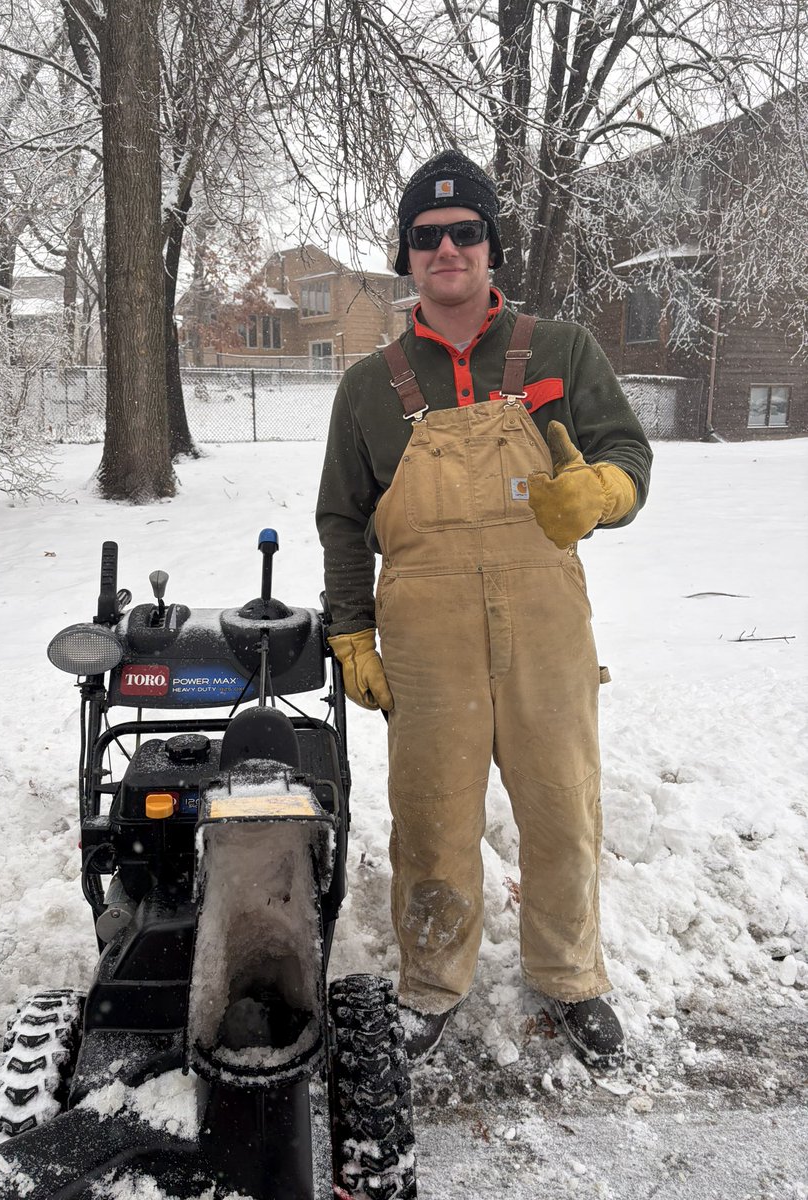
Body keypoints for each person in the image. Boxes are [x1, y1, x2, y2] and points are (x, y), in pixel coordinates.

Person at [316, 150, 652, 1068]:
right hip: (426, 638)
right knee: (431, 817)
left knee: (562, 805)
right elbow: (344, 518)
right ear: (408, 257)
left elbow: (629, 451)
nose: (448, 249)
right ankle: (431, 983)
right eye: (428, 237)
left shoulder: (561, 350)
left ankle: (569, 972)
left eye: (466, 233)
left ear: (492, 246)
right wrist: (351, 627)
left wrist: (603, 495)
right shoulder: (368, 386)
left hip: (545, 623)